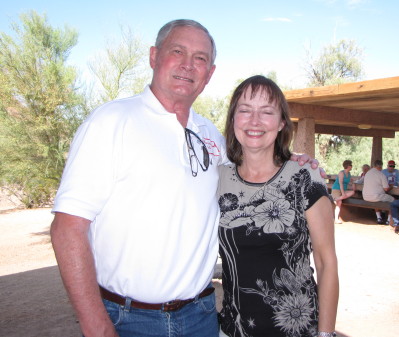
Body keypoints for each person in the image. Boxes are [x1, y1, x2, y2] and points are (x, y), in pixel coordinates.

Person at [50, 20, 319, 337]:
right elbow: (67, 228)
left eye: (200, 58)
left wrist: (292, 161)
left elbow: (254, 166)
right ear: (154, 56)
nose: (188, 65)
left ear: (210, 73)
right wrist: (96, 326)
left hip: (201, 317)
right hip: (128, 320)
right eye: (177, 51)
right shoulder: (111, 122)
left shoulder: (212, 136)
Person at [217, 76, 338, 337]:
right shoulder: (218, 179)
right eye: (245, 110)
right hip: (234, 329)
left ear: (282, 122)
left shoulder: (304, 176)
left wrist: (326, 334)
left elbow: (326, 262)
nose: (254, 121)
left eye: (267, 112)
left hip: (298, 328)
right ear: (233, 120)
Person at [362, 160, 394, 224]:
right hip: (376, 197)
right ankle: (388, 219)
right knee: (393, 200)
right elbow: (386, 189)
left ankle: (379, 217)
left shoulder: (367, 173)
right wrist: (391, 186)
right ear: (381, 167)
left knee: (377, 197)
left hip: (365, 196)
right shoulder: (381, 175)